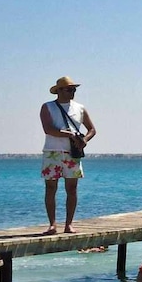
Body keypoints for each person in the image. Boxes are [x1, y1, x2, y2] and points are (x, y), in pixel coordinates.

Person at [40, 76, 97, 235]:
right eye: (69, 89)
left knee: (72, 188)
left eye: (74, 89)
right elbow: (48, 129)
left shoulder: (80, 108)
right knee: (51, 188)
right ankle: (52, 225)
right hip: (52, 152)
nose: (72, 92)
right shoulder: (47, 107)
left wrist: (84, 140)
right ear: (59, 91)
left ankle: (69, 224)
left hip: (72, 153)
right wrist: (70, 135)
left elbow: (92, 129)